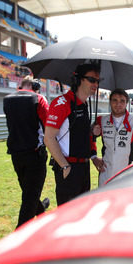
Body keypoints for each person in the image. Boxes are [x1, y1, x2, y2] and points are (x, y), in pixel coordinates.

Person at [44, 64, 101, 205]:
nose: (96, 84)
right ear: (80, 79)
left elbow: (78, 134)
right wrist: (65, 166)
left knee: (82, 212)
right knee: (68, 217)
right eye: (92, 80)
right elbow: (48, 138)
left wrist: (91, 133)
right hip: (68, 168)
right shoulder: (62, 103)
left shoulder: (84, 104)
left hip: (84, 167)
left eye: (98, 81)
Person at [3, 76, 49, 228]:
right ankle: (20, 235)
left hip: (16, 155)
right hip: (35, 155)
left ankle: (41, 211)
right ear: (35, 85)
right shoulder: (39, 99)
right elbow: (48, 126)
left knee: (29, 193)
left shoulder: (7, 99)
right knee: (29, 198)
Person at [93, 88, 133, 186]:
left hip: (125, 175)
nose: (118, 104)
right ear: (110, 102)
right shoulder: (101, 121)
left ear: (127, 103)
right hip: (105, 174)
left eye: (122, 101)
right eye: (115, 100)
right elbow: (88, 139)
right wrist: (93, 157)